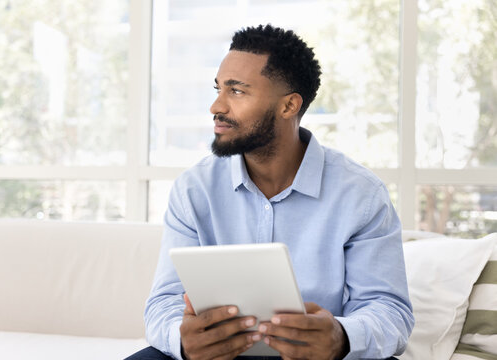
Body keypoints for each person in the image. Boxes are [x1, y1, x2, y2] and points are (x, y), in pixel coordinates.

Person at [126, 24, 414, 360]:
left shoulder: (362, 195)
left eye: (236, 91)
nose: (216, 106)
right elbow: (164, 302)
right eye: (218, 89)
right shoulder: (194, 189)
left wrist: (341, 337)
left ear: (289, 106)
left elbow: (390, 311)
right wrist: (183, 340)